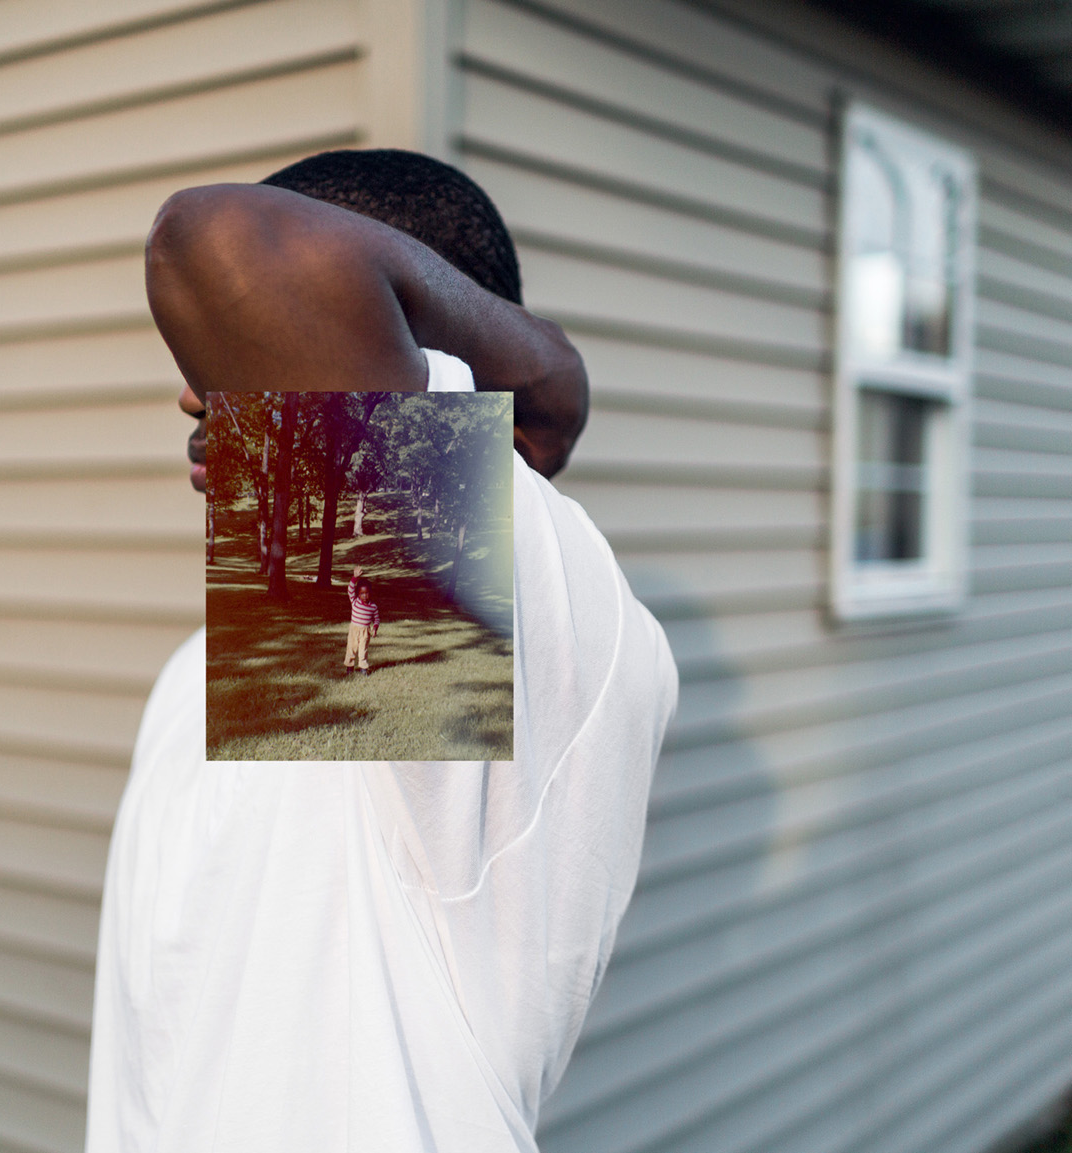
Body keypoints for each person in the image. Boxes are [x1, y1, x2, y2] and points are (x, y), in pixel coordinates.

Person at [85, 149, 678, 1153]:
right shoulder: (228, 658)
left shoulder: (519, 612)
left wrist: (548, 371)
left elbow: (228, 247)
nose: (201, 398)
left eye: (227, 365)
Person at [345, 570, 381, 674]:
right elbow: (350, 590)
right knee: (351, 648)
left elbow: (377, 619)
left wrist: (374, 628)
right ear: (358, 594)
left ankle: (363, 668)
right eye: (362, 593)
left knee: (363, 650)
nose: (364, 596)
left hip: (365, 631)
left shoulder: (373, 606)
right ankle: (349, 667)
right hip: (354, 629)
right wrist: (354, 577)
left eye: (367, 593)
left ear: (371, 593)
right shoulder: (355, 601)